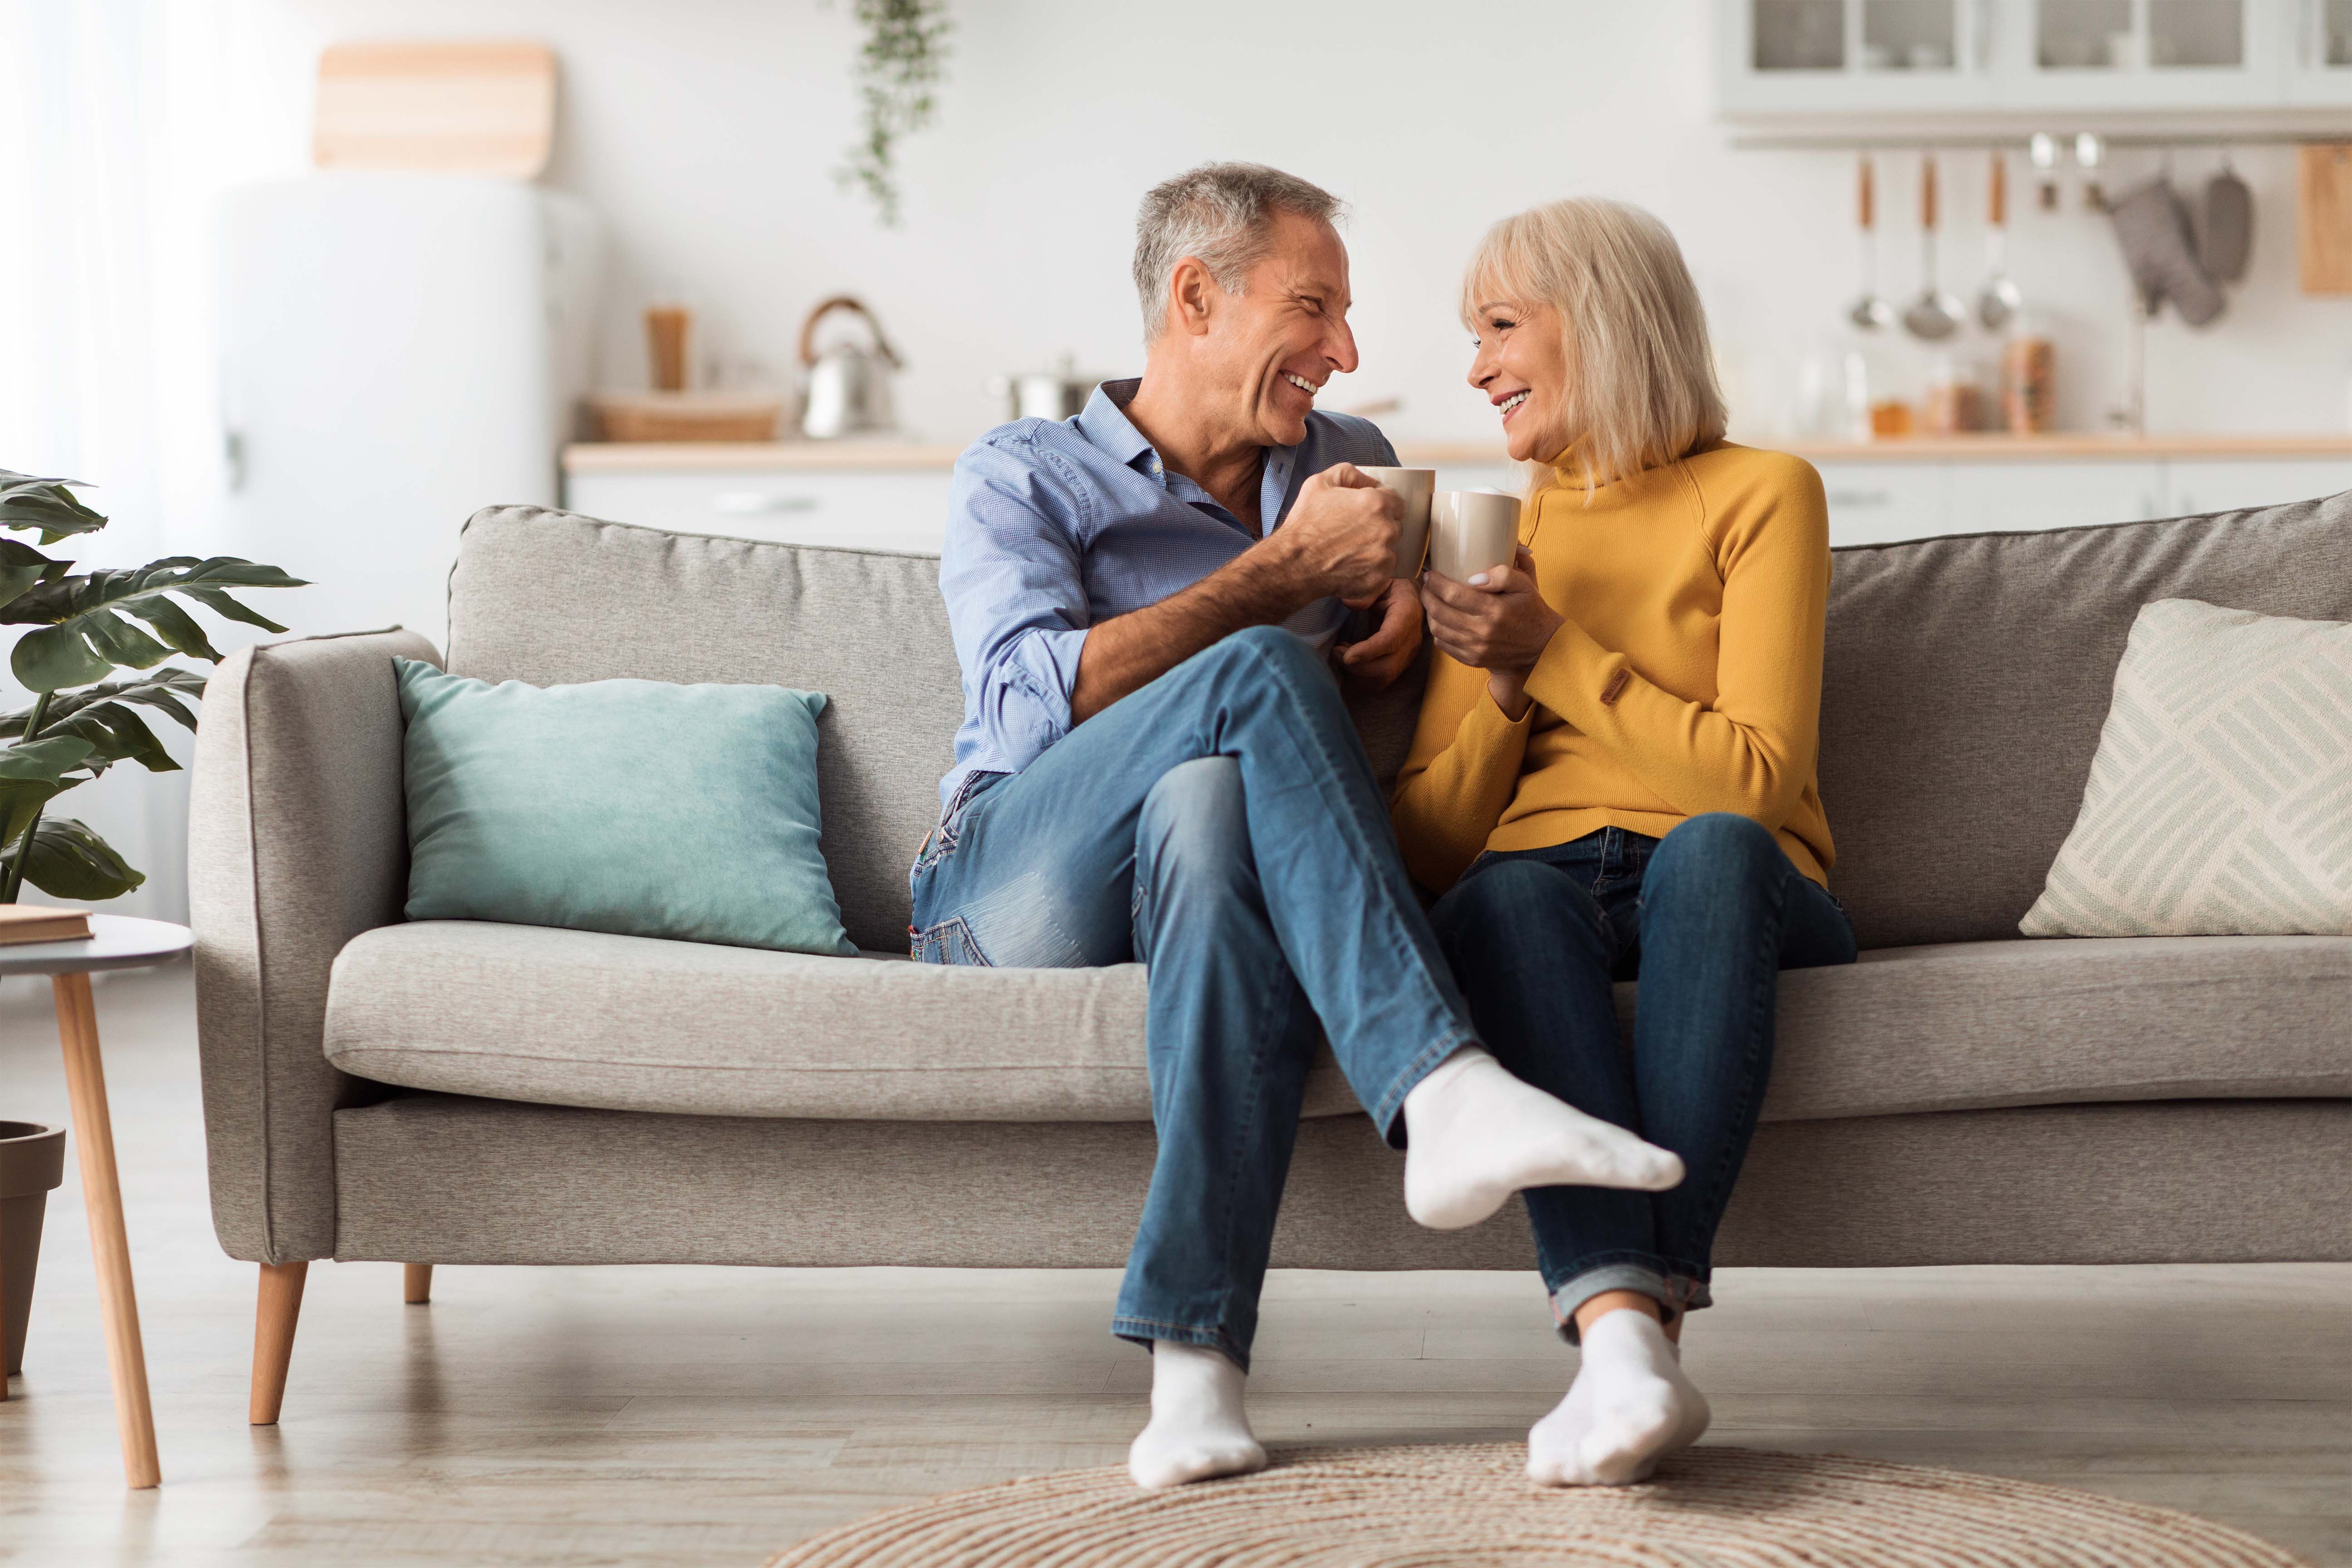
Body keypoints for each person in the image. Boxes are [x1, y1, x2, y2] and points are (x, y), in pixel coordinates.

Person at [917, 164, 1683, 1491]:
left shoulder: (1354, 470)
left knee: (1214, 812)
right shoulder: (1024, 473)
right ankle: (1441, 1086)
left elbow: (1436, 630)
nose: (1346, 352)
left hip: (1190, 879)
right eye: (1313, 307)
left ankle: (1195, 1368)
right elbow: (1028, 706)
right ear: (1196, 296)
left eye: (1347, 317)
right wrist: (1277, 585)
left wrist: (1417, 630)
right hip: (1006, 882)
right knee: (1261, 674)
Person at [1392, 197, 1858, 1488]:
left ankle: (1635, 1323)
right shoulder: (1500, 531)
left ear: (1597, 323)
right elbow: (1431, 846)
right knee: (1497, 906)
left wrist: (1556, 652)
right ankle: (1625, 1352)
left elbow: (1758, 788)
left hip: (1740, 880)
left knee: (1710, 850)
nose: (1476, 366)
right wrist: (1494, 690)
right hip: (1541, 876)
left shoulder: (1764, 495)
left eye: (1499, 326)